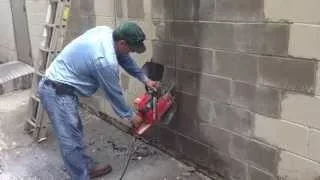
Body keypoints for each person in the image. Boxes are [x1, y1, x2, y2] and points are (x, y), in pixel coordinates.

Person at [37, 22, 156, 179]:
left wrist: (145, 79)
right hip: (56, 91)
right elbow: (113, 93)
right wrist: (130, 116)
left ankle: (83, 167)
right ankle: (81, 175)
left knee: (75, 131)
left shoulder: (106, 32)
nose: (132, 52)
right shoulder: (104, 60)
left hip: (62, 86)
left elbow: (124, 58)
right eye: (132, 48)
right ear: (122, 43)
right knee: (70, 139)